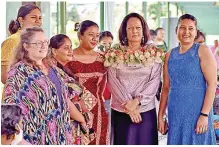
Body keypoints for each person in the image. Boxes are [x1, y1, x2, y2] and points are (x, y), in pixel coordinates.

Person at [3, 27, 87, 145]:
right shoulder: (18, 72)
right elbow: (10, 111)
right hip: (33, 138)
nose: (43, 46)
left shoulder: (53, 68)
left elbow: (64, 98)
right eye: (38, 43)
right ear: (25, 46)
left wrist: (81, 118)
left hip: (60, 134)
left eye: (45, 42)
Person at [158, 14, 217, 145]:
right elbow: (166, 87)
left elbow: (212, 84)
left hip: (198, 113)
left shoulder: (203, 51)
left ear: (196, 32)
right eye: (182, 28)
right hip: (175, 114)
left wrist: (204, 115)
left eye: (191, 28)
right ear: (176, 30)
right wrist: (161, 116)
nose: (186, 32)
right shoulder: (169, 55)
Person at [105, 12, 162, 145]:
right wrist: (129, 106)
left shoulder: (154, 53)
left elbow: (154, 81)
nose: (134, 31)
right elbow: (113, 81)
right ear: (125, 31)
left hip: (146, 110)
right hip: (121, 110)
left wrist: (137, 102)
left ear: (143, 30)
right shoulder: (114, 53)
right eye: (130, 28)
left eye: (138, 28)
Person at [64, 20, 109, 145]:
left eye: (97, 35)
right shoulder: (68, 58)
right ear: (80, 36)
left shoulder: (103, 58)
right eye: (90, 34)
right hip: (74, 114)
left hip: (98, 113)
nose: (95, 38)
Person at [48, 34, 95, 145]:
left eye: (71, 47)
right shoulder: (51, 71)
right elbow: (64, 101)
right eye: (66, 48)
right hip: (64, 126)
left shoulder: (64, 71)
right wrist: (82, 118)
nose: (70, 50)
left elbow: (78, 97)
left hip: (75, 123)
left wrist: (87, 113)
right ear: (54, 51)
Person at [1, 3, 42, 85]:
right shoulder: (12, 41)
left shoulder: (40, 41)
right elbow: (4, 77)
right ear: (21, 20)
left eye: (40, 18)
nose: (38, 21)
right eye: (33, 17)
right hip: (17, 94)